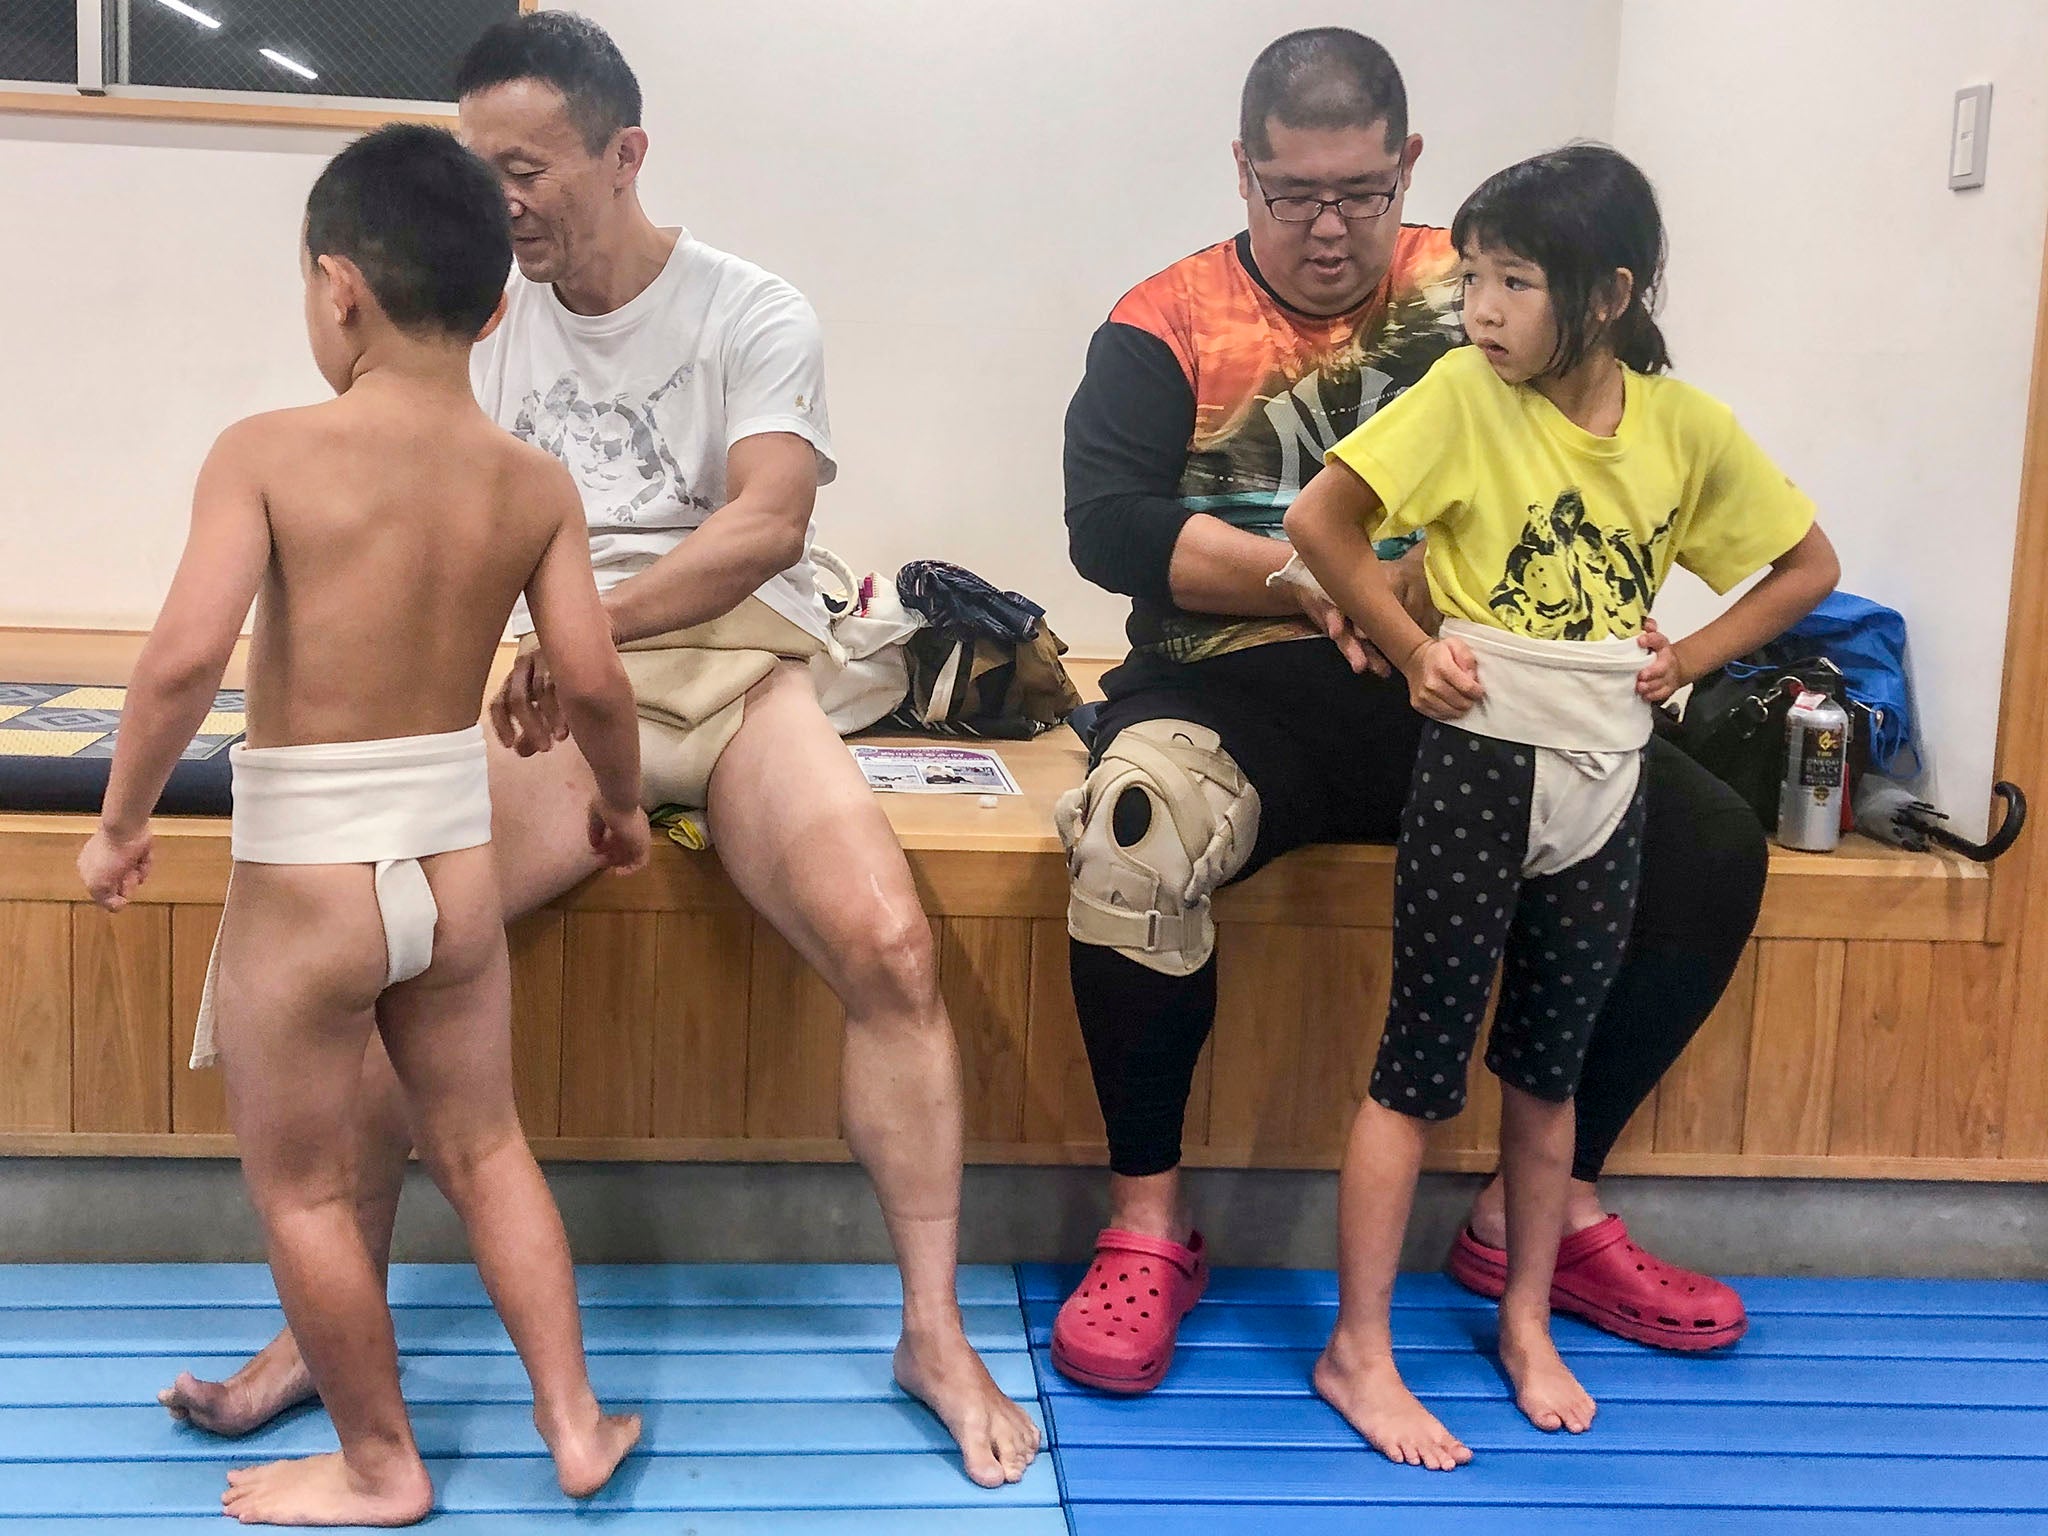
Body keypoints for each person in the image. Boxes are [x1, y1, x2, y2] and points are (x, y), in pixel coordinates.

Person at [157, 12, 1040, 1489]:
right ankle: (326, 1331)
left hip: (736, 673)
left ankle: (933, 1331)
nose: (498, 203)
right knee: (385, 957)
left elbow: (769, 523)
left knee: (890, 943)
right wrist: (542, 669)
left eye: (525, 168)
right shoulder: (471, 320)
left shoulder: (751, 309)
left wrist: (588, 635)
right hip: (549, 700)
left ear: (624, 155)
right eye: (476, 170)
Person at [1052, 28, 1764, 1396]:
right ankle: (1147, 1226)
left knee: (1712, 842)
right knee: (1132, 837)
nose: (1327, 227)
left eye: (1363, 194)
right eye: (1292, 193)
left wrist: (1634, 621)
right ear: (1243, 172)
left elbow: (1625, 442)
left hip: (1478, 697)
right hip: (1239, 691)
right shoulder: (1162, 318)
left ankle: (1535, 1215)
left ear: (1410, 167)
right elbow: (1110, 529)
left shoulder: (1493, 287)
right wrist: (1317, 578)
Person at [78, 125, 647, 1527]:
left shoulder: (268, 451)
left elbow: (177, 662)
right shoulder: (531, 482)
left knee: (310, 1197)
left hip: (308, 886)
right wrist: (620, 808)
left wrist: (121, 822)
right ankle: (573, 1422)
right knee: (486, 1147)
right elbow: (591, 681)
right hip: (449, 872)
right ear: (498, 303)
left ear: (339, 288)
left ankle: (382, 1465)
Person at [1284, 143, 1838, 1467]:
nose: (1479, 306)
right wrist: (1414, 651)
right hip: (1482, 761)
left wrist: (1690, 660)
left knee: (1548, 1079)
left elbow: (1808, 565)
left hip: (1609, 768)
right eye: (1472, 276)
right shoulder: (1466, 396)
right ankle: (1359, 1349)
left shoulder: (1682, 426)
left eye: (1514, 281)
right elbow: (1322, 524)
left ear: (1606, 293)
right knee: (1417, 1068)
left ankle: (1526, 1320)